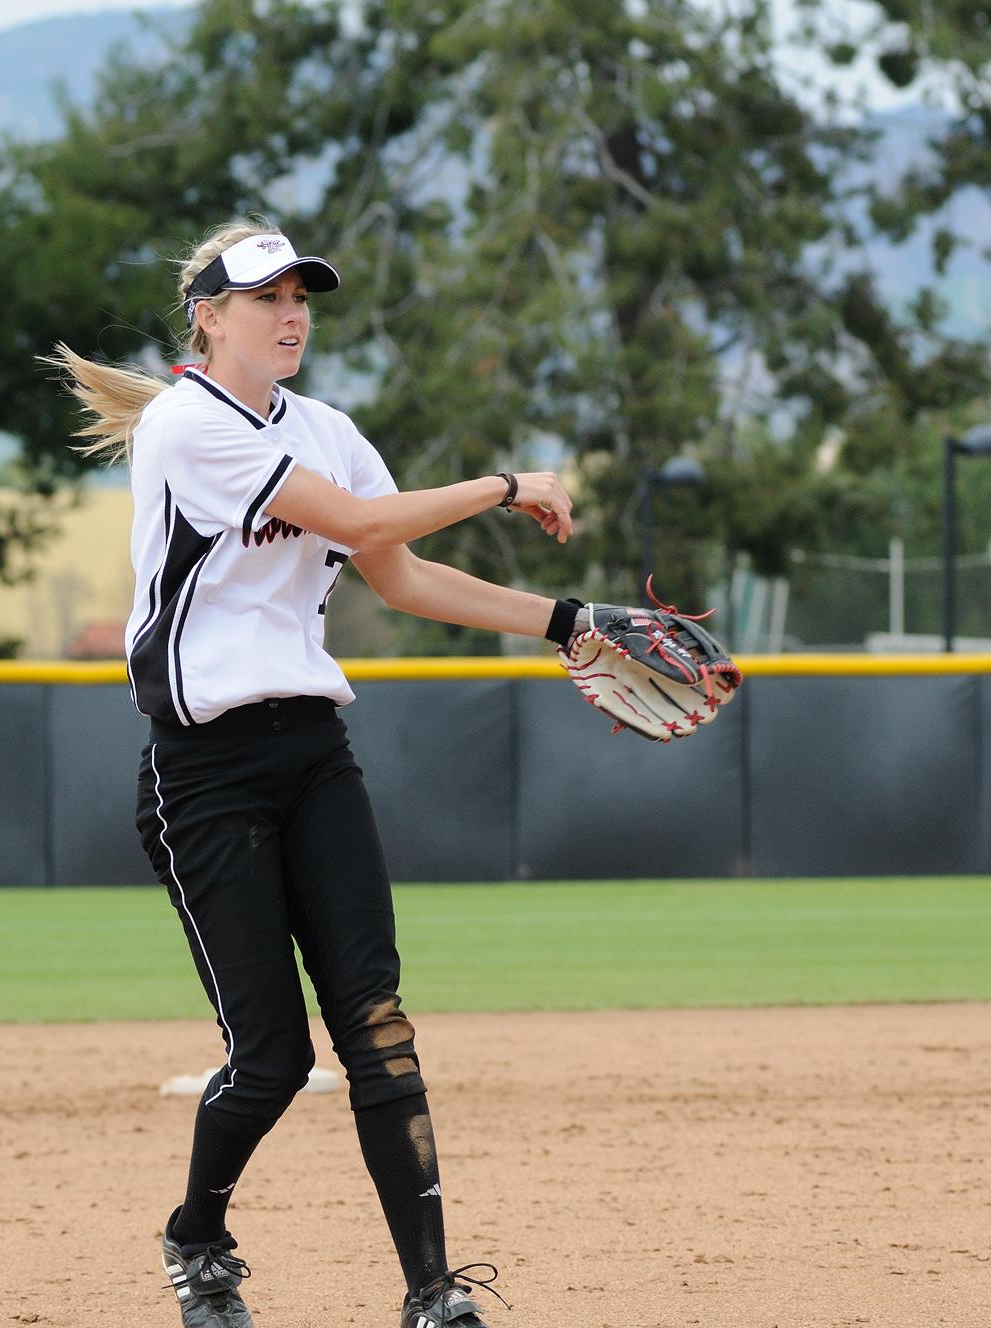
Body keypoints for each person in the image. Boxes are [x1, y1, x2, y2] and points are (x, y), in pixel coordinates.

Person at [46, 219, 586, 1328]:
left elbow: (397, 573)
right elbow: (351, 519)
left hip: (312, 754)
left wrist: (568, 621)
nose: (290, 313)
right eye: (263, 296)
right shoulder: (187, 430)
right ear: (206, 313)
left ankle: (433, 1292)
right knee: (272, 1056)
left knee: (378, 1023)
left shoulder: (327, 427)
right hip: (203, 775)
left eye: (301, 295)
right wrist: (503, 481)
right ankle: (197, 1236)